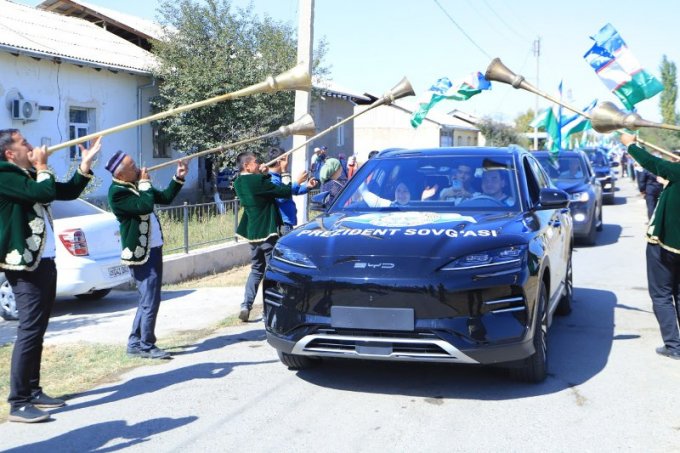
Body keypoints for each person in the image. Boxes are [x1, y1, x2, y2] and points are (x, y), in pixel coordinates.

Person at [0, 129, 101, 423]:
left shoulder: (26, 176)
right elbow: (43, 193)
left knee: (39, 329)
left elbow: (64, 192)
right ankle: (18, 402)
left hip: (44, 261)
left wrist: (84, 165)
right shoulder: (4, 175)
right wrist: (43, 166)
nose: (32, 146)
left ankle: (33, 390)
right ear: (10, 153)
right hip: (25, 266)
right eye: (24, 143)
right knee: (29, 330)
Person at [107, 151, 187, 360]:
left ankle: (135, 342)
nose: (138, 168)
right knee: (150, 300)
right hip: (141, 254)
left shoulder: (135, 185)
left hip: (153, 249)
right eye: (132, 166)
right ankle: (146, 345)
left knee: (147, 299)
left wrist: (178, 177)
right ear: (122, 175)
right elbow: (144, 206)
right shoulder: (117, 192)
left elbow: (165, 198)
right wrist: (144, 185)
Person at [621, 133, 680, 360]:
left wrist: (631, 145)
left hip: (664, 245)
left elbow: (651, 163)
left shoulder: (677, 172)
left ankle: (674, 345)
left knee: (661, 295)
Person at [233, 151, 292, 322]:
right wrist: (285, 172)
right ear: (247, 166)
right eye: (256, 162)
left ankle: (246, 305)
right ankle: (271, 310)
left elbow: (261, 190)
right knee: (273, 271)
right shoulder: (257, 180)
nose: (259, 164)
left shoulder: (238, 182)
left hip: (252, 235)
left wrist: (264, 174)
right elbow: (284, 192)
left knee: (256, 270)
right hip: (267, 232)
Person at [266, 147, 318, 235]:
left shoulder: (280, 176)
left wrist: (307, 186)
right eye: (285, 160)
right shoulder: (271, 179)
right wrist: (297, 181)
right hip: (281, 224)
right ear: (279, 161)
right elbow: (282, 196)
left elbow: (291, 191)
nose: (287, 163)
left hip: (287, 223)